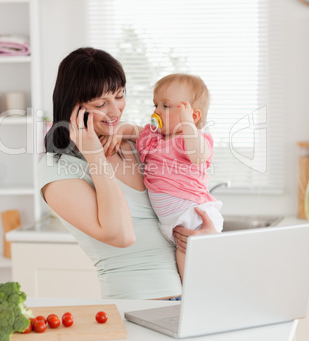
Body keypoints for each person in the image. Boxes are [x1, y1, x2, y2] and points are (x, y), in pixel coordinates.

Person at [38, 47, 217, 300]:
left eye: (120, 96)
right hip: (137, 306)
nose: (115, 111)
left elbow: (187, 196)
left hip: (193, 301)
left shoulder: (138, 143)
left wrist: (207, 237)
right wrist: (95, 157)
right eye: (101, 104)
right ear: (74, 108)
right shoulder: (57, 168)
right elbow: (121, 235)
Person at [103, 74, 223, 281]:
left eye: (166, 106)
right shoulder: (154, 136)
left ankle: (197, 293)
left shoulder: (192, 139)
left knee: (197, 267)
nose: (157, 111)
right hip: (173, 224)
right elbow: (134, 131)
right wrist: (120, 129)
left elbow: (199, 156)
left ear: (192, 116)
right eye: (155, 105)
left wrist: (188, 125)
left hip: (192, 213)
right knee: (183, 257)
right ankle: (193, 293)